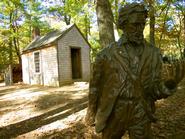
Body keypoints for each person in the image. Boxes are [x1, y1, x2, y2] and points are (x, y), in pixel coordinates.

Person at [85, 3, 178, 139]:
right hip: (114, 111)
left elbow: (154, 90)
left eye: (142, 24)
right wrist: (91, 113)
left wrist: (168, 86)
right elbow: (95, 87)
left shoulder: (153, 53)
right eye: (135, 25)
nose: (139, 29)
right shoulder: (105, 55)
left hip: (141, 110)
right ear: (123, 24)